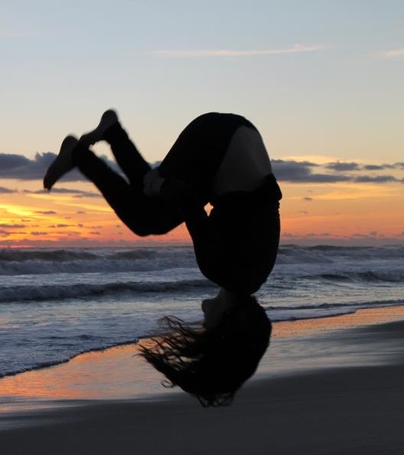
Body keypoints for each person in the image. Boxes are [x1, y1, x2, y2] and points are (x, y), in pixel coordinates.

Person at [43, 110, 282, 406]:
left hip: (238, 136)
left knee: (152, 209)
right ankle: (79, 154)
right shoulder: (220, 269)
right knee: (145, 218)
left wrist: (158, 186)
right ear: (224, 332)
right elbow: (186, 200)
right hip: (218, 142)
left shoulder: (254, 275)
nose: (203, 325)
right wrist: (160, 185)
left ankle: (113, 134)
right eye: (208, 332)